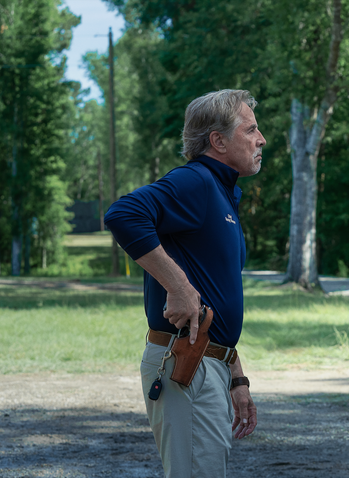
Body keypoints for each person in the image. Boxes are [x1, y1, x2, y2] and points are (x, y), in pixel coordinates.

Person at [104, 89, 266, 478]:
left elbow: (216, 295)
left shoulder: (223, 193)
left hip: (210, 364)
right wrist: (177, 285)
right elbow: (123, 214)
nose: (261, 140)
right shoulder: (197, 181)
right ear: (218, 141)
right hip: (186, 365)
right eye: (251, 130)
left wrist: (235, 374)